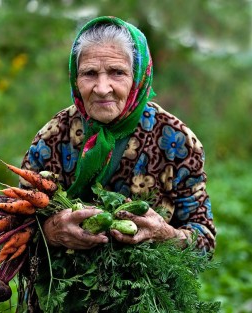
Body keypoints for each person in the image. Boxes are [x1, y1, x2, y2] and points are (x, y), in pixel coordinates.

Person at [20, 16, 215, 256]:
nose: (102, 88)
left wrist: (164, 233)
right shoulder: (52, 137)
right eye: (90, 73)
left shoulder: (176, 140)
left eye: (117, 72)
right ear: (75, 78)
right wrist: (51, 232)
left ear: (138, 77)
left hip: (151, 290)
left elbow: (204, 241)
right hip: (63, 289)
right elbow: (18, 226)